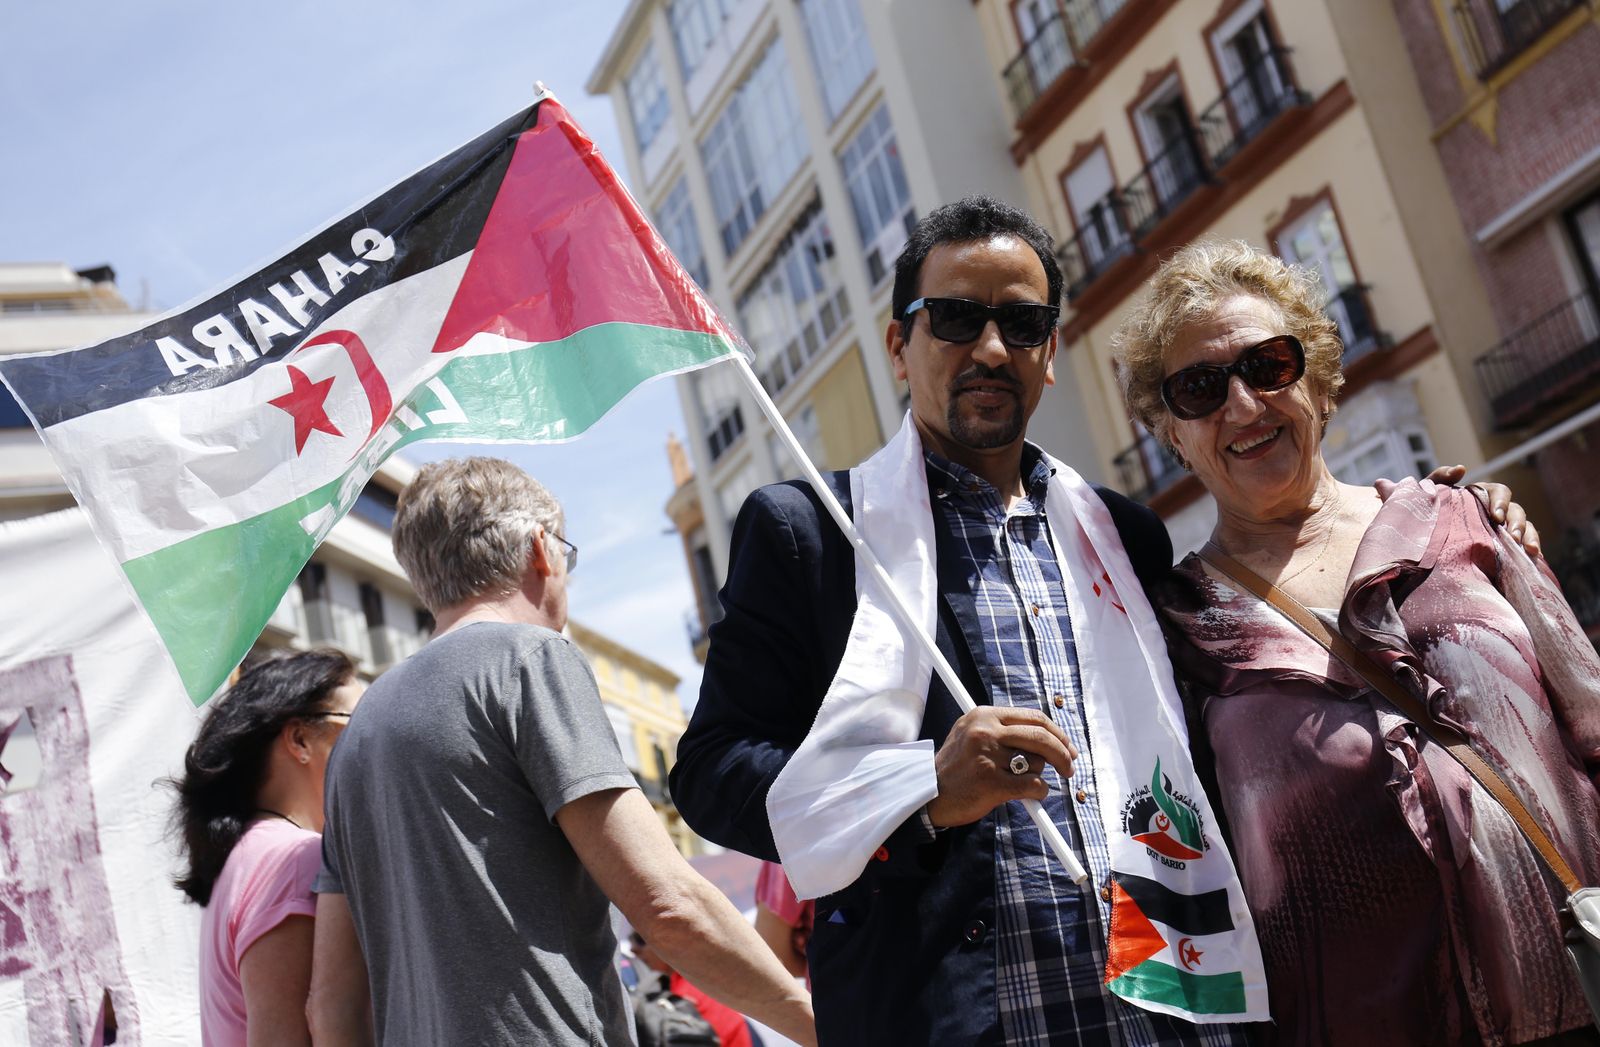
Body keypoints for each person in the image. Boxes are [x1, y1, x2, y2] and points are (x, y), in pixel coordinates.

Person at [669, 197, 1535, 1046]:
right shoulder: (815, 531)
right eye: (957, 319)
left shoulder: (1124, 533)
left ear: (1052, 353)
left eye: (1022, 322)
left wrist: (1440, 516)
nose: (991, 347)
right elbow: (711, 770)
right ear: (901, 345)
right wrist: (924, 788)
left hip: (1173, 1009)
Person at [1112, 239, 1600, 1045]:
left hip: (1576, 984)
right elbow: (1173, 883)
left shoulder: (1465, 521)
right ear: (1170, 432)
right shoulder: (1172, 632)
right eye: (1200, 387)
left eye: (1268, 365)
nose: (1242, 406)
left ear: (1321, 381)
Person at [306, 457, 814, 1047]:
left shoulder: (358, 731)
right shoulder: (528, 659)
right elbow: (667, 905)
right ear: (541, 550)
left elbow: (332, 1000)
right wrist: (823, 1026)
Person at [169, 648, 363, 1047]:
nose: (371, 743)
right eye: (358, 726)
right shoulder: (297, 861)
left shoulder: (245, 856)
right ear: (299, 739)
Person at [629, 930, 755, 1047]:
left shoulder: (695, 994)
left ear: (672, 944)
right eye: (632, 939)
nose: (633, 948)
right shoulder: (663, 985)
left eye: (641, 939)